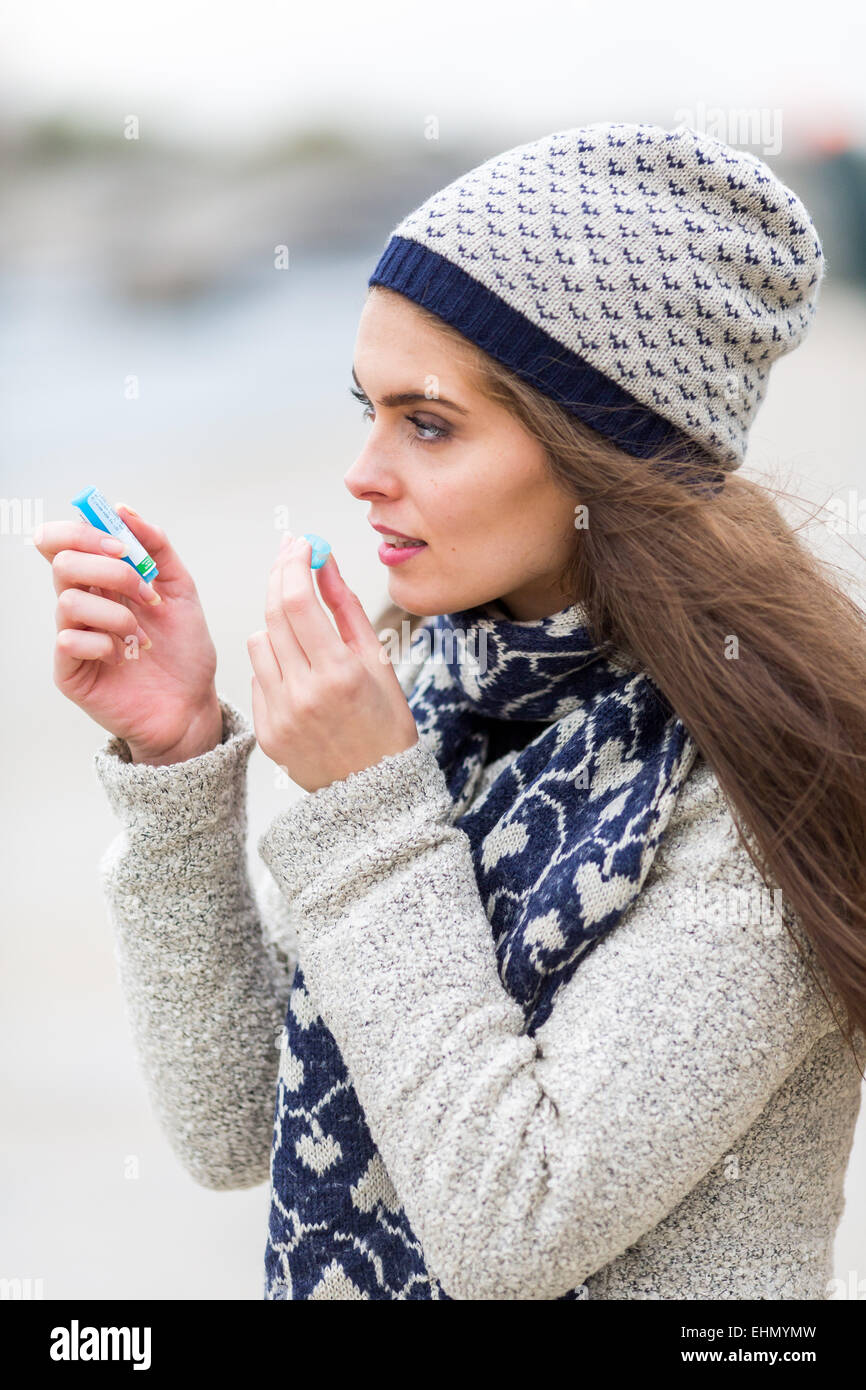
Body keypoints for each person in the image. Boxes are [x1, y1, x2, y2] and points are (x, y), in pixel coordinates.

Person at [34, 121, 866, 1301]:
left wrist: (371, 813)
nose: (362, 471)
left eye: (426, 423)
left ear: (603, 450)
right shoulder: (454, 681)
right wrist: (175, 756)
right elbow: (239, 1124)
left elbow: (512, 1221)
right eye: (365, 407)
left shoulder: (771, 776)